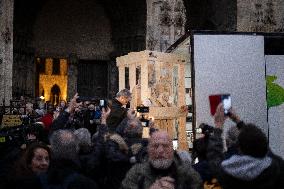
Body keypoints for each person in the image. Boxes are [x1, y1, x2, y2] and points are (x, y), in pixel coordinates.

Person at [207, 103, 284, 189]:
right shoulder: (275, 166)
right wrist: (238, 121)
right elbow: (262, 145)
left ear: (239, 149)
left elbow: (214, 156)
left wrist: (218, 125)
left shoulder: (227, 173)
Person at [121, 130, 202, 189]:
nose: (160, 151)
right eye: (155, 146)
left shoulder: (187, 173)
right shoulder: (136, 173)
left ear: (172, 150)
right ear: (148, 149)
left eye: (165, 146)